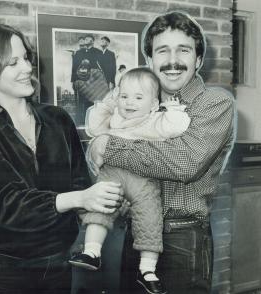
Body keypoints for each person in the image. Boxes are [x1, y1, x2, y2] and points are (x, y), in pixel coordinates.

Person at [0, 23, 124, 294]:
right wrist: (79, 198)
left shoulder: (58, 118)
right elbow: (7, 204)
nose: (27, 68)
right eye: (13, 63)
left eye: (26, 57)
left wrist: (110, 199)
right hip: (6, 272)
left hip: (59, 264)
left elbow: (81, 183)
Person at [88, 11, 236, 294]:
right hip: (134, 232)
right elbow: (95, 158)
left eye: (184, 50)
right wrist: (100, 146)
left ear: (199, 60)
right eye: (162, 51)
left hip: (182, 239)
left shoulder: (215, 103)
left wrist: (108, 145)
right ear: (150, 60)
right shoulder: (138, 101)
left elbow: (183, 162)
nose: (172, 61)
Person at [69, 67, 191, 294]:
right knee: (100, 207)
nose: (129, 103)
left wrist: (171, 108)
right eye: (124, 96)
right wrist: (109, 102)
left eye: (138, 97)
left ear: (153, 104)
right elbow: (94, 126)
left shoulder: (155, 120)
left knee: (150, 217)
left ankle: (147, 270)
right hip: (112, 173)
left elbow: (178, 125)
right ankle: (92, 252)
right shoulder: (115, 117)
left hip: (143, 180)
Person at [71, 34, 104, 125]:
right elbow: (74, 68)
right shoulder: (78, 53)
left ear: (92, 41)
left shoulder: (98, 52)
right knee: (80, 102)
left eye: (88, 39)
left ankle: (93, 123)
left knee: (93, 102)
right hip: (81, 81)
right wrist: (73, 81)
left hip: (93, 81)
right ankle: (80, 123)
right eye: (85, 39)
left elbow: (103, 68)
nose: (85, 40)